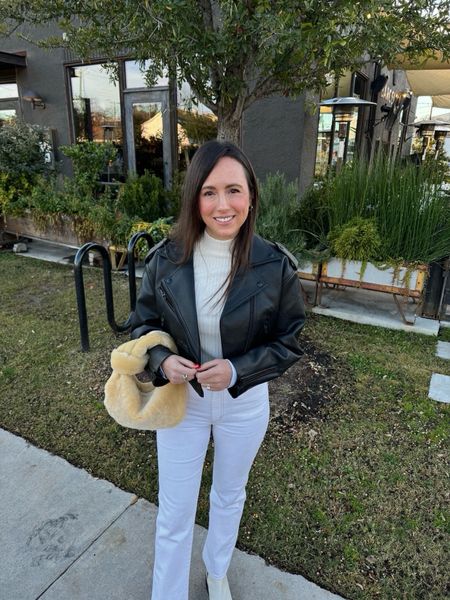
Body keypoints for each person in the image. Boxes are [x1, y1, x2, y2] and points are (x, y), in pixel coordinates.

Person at [130, 140, 306, 600]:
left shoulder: (273, 266)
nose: (222, 205)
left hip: (243, 402)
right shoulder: (166, 258)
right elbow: (141, 325)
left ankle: (217, 571)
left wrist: (237, 370)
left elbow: (290, 340)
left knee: (229, 495)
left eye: (234, 190)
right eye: (209, 192)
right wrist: (161, 361)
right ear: (194, 197)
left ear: (251, 196)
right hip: (181, 403)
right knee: (174, 508)